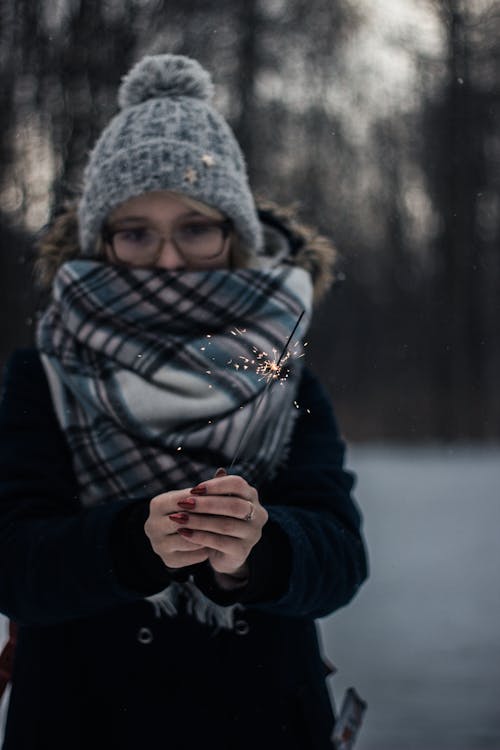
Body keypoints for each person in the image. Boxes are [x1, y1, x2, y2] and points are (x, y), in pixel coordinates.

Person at [0, 54, 368, 750]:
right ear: (100, 242)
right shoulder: (41, 373)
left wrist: (260, 551)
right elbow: (14, 565)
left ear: (236, 236)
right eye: (136, 232)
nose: (167, 260)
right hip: (82, 719)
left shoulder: (285, 372)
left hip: (265, 721)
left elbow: (339, 557)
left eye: (195, 227)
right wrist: (130, 545)